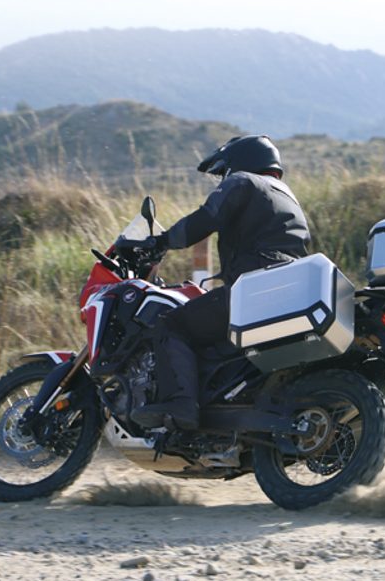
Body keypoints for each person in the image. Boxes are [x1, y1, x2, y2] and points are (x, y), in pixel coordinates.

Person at [130, 135, 310, 429]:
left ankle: (181, 405)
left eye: (223, 170)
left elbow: (206, 218)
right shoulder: (288, 198)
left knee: (170, 325)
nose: (223, 177)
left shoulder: (243, 180)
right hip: (290, 291)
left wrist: (161, 241)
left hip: (254, 288)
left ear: (241, 160)